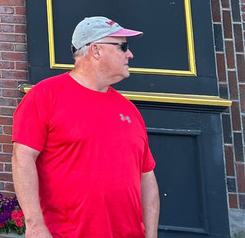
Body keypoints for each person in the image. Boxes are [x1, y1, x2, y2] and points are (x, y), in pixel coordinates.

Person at [12, 16, 159, 238]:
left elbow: (146, 177)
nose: (130, 54)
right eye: (122, 47)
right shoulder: (45, 96)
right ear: (96, 50)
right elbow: (22, 158)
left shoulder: (129, 110)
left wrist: (151, 234)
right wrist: (35, 226)